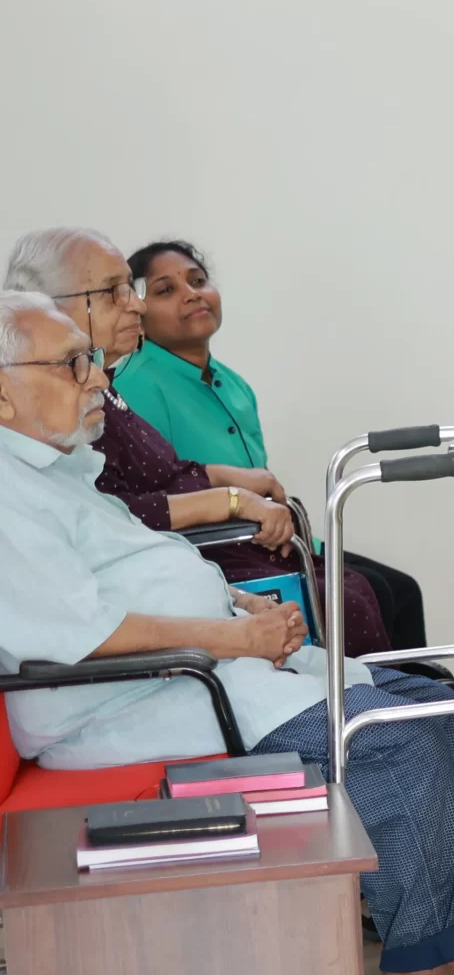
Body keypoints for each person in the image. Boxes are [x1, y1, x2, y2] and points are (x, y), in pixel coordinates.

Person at [0, 291, 454, 975]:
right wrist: (234, 639)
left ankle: (445, 948)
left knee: (435, 706)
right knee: (392, 741)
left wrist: (236, 606)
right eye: (72, 363)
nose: (97, 377)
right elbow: (85, 637)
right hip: (126, 702)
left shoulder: (55, 469)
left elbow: (134, 573)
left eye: (89, 359)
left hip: (195, 669)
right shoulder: (9, 498)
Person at [4, 228, 395, 658]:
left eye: (131, 289)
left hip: (203, 580)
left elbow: (157, 480)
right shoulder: (65, 422)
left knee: (375, 594)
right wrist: (232, 502)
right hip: (199, 580)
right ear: (47, 306)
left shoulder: (107, 393)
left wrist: (237, 496)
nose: (136, 305)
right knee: (349, 600)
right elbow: (123, 519)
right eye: (115, 292)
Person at [119, 238, 429, 652]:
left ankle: (418, 689)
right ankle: (382, 691)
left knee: (400, 590)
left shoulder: (232, 384)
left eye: (198, 280)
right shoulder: (135, 386)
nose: (191, 294)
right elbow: (157, 495)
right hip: (216, 553)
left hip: (269, 538)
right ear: (137, 314)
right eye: (166, 290)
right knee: (361, 597)